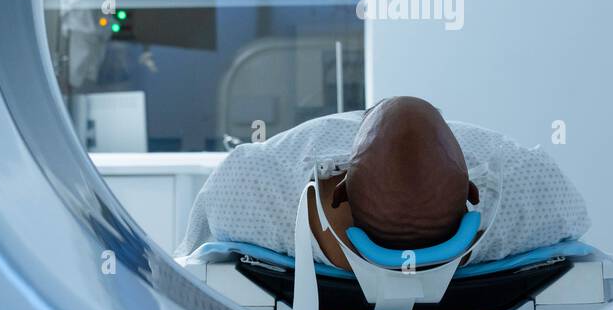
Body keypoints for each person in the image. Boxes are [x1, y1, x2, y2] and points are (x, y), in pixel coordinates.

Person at [176, 96, 589, 268]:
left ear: (339, 188)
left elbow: (189, 267)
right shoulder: (531, 192)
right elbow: (581, 240)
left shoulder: (251, 187)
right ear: (472, 192)